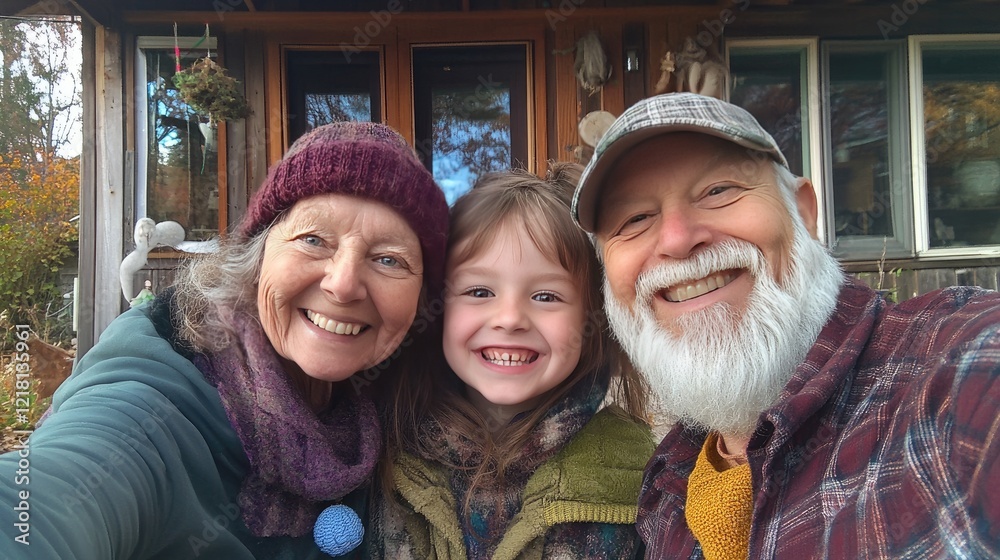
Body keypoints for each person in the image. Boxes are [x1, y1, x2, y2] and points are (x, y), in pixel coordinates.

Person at [571, 92, 1000, 559]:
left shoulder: (955, 370)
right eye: (634, 219)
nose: (676, 240)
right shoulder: (666, 485)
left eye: (719, 190)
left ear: (805, 212)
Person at [0, 122, 449, 559]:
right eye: (312, 239)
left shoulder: (410, 403)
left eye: (389, 259)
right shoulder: (158, 405)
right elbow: (48, 500)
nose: (344, 284)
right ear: (256, 258)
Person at [369, 164, 654, 559]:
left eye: (546, 297)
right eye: (480, 290)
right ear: (436, 310)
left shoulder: (643, 476)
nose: (510, 318)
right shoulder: (379, 450)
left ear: (593, 320)